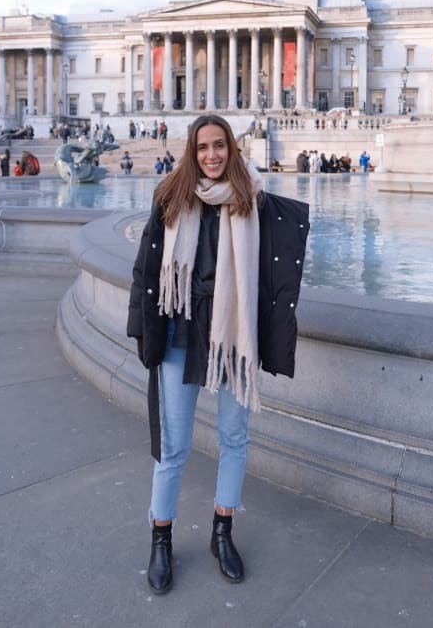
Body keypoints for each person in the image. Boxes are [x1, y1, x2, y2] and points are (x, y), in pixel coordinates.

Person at [127, 114, 309, 595]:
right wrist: (143, 333)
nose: (212, 155)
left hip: (232, 337)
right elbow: (146, 270)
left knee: (234, 436)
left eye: (220, 146)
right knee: (173, 446)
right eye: (204, 147)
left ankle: (222, 531)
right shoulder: (170, 198)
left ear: (232, 148)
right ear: (192, 151)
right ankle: (161, 539)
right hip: (179, 331)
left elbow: (275, 277)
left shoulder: (255, 200)